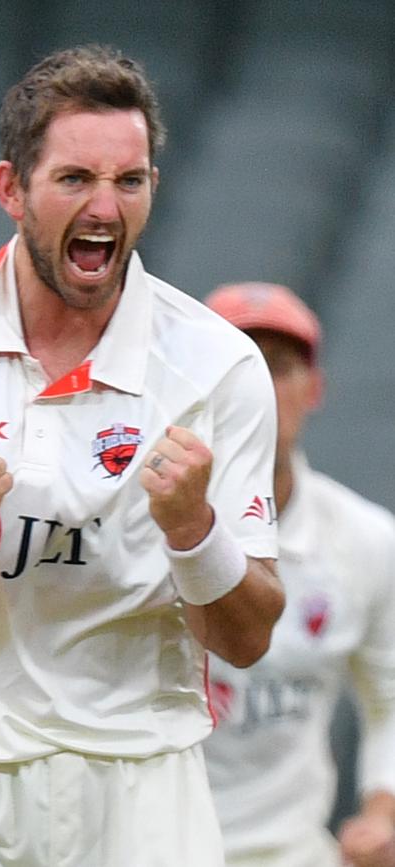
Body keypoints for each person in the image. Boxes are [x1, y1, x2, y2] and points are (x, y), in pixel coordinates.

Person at [0, 45, 284, 867]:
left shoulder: (219, 366)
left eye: (129, 181)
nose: (105, 206)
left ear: (152, 191)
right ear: (11, 190)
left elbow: (245, 641)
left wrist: (196, 532)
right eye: (74, 179)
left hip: (143, 783)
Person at [203, 281, 395, 867]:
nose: (260, 390)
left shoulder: (367, 540)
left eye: (279, 368)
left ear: (313, 390)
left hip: (285, 852)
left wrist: (382, 812)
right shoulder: (131, 526)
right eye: (240, 367)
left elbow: (390, 696)